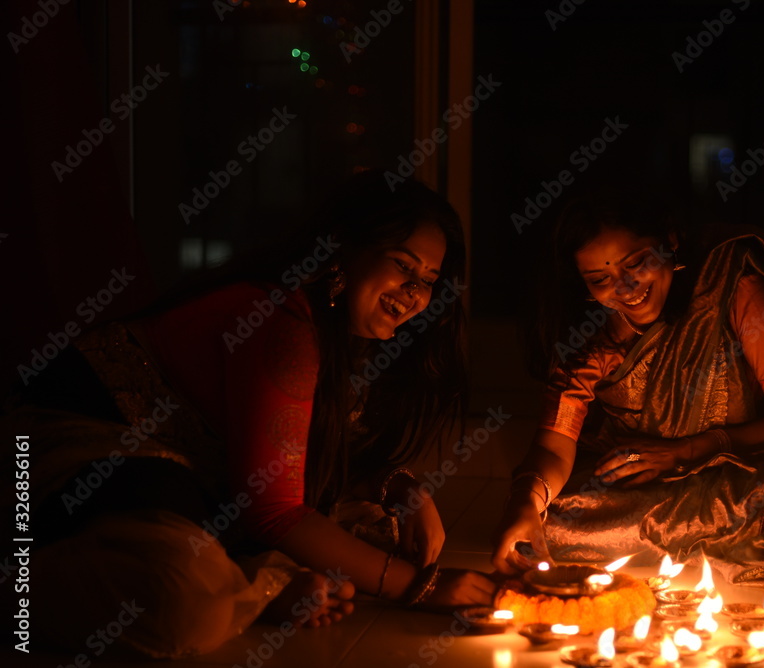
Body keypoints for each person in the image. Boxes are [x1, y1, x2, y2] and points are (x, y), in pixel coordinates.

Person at [4, 173, 496, 659]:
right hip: (50, 469)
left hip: (170, 484)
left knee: (363, 531)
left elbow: (312, 454)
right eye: (402, 265)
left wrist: (399, 487)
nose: (413, 292)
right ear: (342, 248)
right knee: (185, 602)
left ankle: (254, 579)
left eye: (428, 281)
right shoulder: (281, 320)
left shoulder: (337, 332)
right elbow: (272, 508)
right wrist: (420, 588)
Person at [492, 188, 764, 592]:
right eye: (599, 278)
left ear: (670, 241)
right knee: (560, 517)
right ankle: (738, 545)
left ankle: (674, 543)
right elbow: (554, 446)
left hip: (753, 465)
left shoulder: (734, 287)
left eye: (636, 262)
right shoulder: (589, 336)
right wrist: (525, 502)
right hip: (653, 485)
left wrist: (691, 450)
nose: (624, 288)